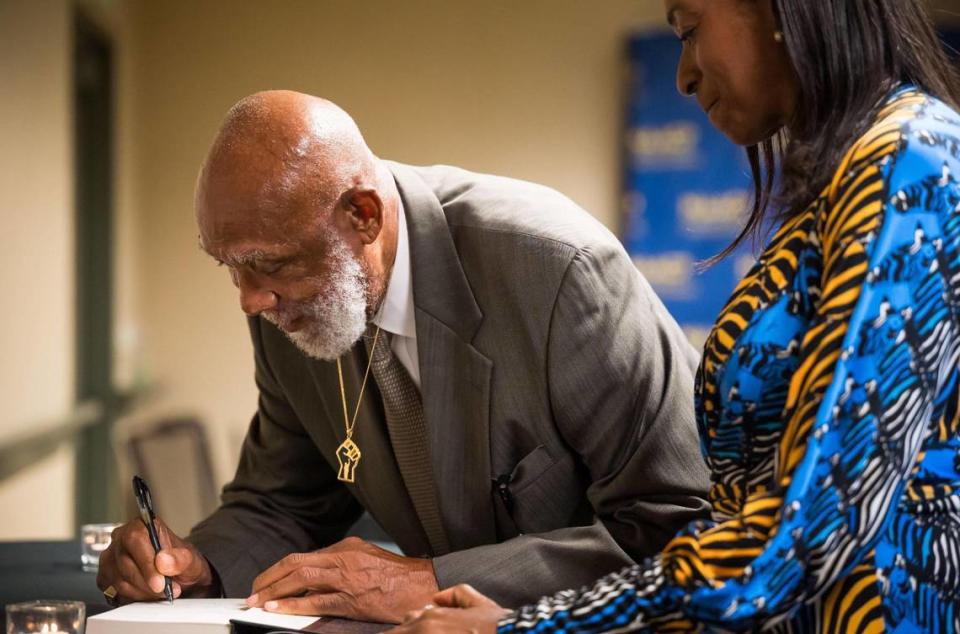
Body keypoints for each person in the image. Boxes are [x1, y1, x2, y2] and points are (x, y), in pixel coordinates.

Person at [391, 0, 960, 631]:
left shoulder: (907, 159)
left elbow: (806, 530)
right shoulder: (846, 174)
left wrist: (524, 626)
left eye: (690, 32)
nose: (684, 76)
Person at [95, 90, 712, 622]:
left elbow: (682, 525)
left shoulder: (557, 273)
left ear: (362, 216)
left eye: (270, 263)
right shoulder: (287, 308)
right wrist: (199, 567)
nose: (251, 301)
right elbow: (283, 501)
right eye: (231, 267)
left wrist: (431, 581)